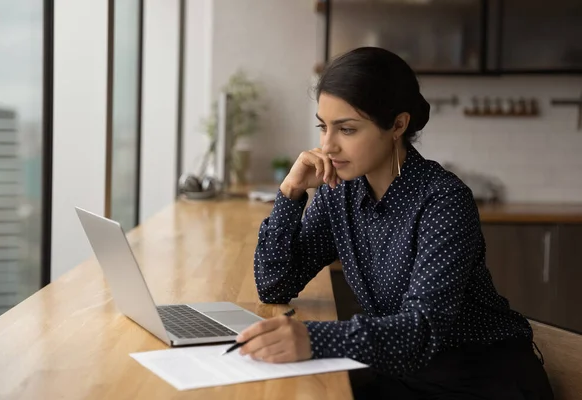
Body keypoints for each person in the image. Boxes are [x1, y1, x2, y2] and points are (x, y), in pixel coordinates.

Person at [235, 47, 554, 399]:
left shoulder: (444, 200)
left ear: (398, 125)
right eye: (323, 127)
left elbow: (421, 330)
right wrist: (290, 192)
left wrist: (312, 338)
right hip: (403, 375)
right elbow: (274, 284)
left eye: (347, 129)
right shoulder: (338, 191)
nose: (327, 145)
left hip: (482, 381)